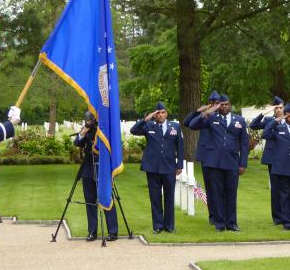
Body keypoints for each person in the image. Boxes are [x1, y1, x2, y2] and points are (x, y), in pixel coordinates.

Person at [189, 94, 249, 232]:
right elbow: (192, 125)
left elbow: (244, 144)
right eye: (221, 104)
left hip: (232, 162)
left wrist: (243, 163)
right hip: (214, 162)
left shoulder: (239, 120)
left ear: (230, 105)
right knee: (216, 194)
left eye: (226, 104)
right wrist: (206, 113)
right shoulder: (211, 118)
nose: (223, 106)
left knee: (231, 193)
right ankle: (220, 223)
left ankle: (232, 223)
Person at [130, 101, 184, 234]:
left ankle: (169, 225)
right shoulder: (149, 125)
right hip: (152, 167)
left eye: (163, 112)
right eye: (158, 113)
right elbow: (133, 130)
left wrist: (180, 165)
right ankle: (158, 226)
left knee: (169, 197)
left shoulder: (175, 126)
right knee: (155, 197)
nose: (160, 115)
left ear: (167, 113)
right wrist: (146, 118)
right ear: (155, 114)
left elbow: (180, 147)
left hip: (169, 166)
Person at [74, 111, 118, 241]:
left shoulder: (102, 131)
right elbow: (77, 143)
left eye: (90, 120)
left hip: (102, 169)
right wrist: (84, 131)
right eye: (87, 120)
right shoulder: (86, 131)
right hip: (88, 169)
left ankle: (113, 231)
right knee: (90, 201)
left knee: (106, 198)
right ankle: (92, 231)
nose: (89, 122)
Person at [184, 90, 220, 225]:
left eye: (216, 103)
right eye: (212, 103)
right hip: (207, 155)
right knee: (210, 188)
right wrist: (198, 111)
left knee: (221, 188)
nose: (214, 105)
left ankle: (222, 216)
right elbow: (188, 123)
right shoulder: (204, 116)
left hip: (220, 155)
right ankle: (213, 217)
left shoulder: (222, 116)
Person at [249, 95, 285, 225]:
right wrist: (264, 113)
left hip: (286, 159)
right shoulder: (269, 120)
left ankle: (287, 214)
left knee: (286, 188)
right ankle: (277, 218)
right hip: (273, 159)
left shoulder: (288, 120)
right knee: (275, 189)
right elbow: (253, 125)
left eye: (281, 108)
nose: (279, 110)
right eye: (276, 108)